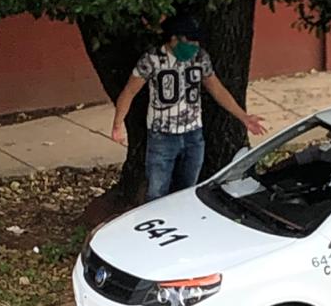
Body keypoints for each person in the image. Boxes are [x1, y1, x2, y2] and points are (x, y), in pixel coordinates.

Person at [111, 14, 267, 201]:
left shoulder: (200, 58)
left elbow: (216, 88)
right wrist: (118, 124)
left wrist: (244, 117)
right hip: (162, 136)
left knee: (188, 190)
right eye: (188, 40)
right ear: (173, 38)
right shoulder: (152, 59)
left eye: (196, 41)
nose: (193, 46)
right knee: (157, 192)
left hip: (193, 134)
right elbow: (129, 91)